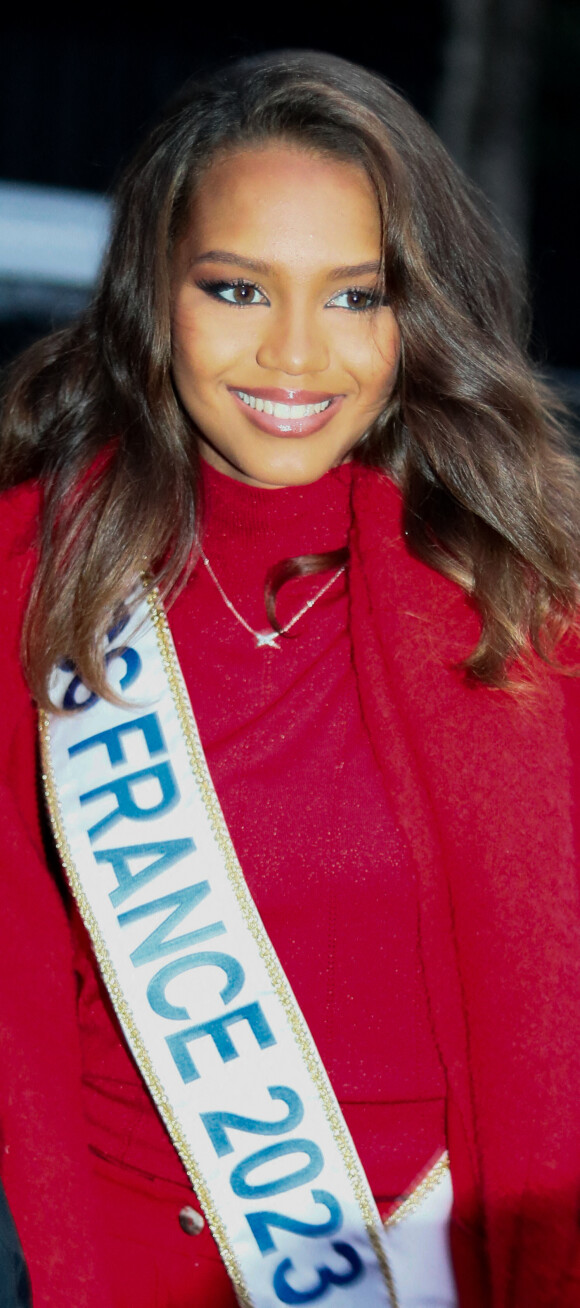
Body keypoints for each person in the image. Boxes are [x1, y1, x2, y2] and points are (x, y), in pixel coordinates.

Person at [0, 48, 579, 1308]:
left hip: (438, 1269)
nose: (297, 357)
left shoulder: (527, 599)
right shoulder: (27, 579)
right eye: (238, 289)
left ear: (414, 312)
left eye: (355, 296)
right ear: (157, 289)